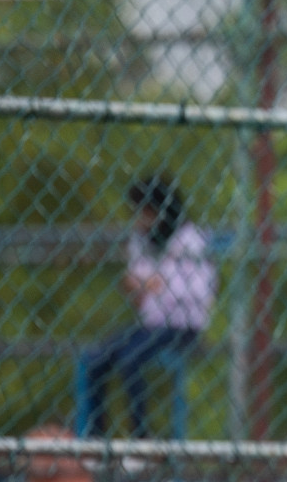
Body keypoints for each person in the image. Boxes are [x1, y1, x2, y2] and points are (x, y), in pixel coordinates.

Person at [82, 174, 216, 437]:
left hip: (182, 325)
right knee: (94, 360)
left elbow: (200, 292)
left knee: (130, 359)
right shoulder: (142, 240)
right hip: (151, 324)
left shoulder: (191, 239)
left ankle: (140, 439)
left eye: (145, 213)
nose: (140, 220)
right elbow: (140, 287)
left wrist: (158, 284)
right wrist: (141, 286)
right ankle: (94, 441)